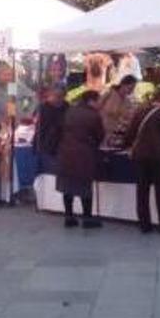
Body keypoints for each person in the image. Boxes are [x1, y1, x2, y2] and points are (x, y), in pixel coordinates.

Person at [125, 89, 160, 234]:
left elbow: (130, 134)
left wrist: (127, 145)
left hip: (140, 156)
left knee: (142, 191)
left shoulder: (140, 112)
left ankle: (144, 224)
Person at [56, 90, 104, 228]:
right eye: (98, 101)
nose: (99, 104)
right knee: (84, 186)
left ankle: (69, 216)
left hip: (65, 152)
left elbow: (60, 129)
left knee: (67, 186)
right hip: (84, 154)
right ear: (92, 101)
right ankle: (87, 218)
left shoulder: (69, 111)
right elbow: (100, 135)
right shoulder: (93, 115)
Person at [34, 86, 69, 173]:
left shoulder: (67, 108)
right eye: (55, 95)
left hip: (60, 146)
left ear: (63, 97)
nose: (56, 98)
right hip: (45, 145)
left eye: (59, 96)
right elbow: (38, 126)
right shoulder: (43, 107)